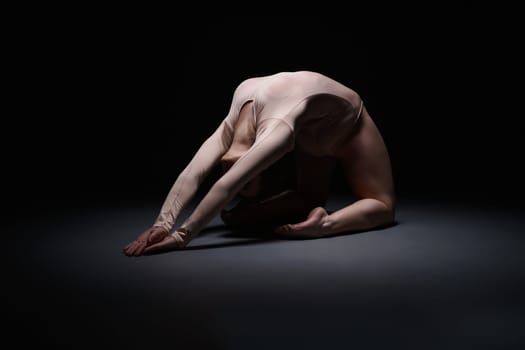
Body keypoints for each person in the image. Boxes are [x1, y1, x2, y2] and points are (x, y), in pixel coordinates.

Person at [123, 71, 395, 256]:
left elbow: (226, 184)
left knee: (383, 206)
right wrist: (161, 223)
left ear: (263, 165)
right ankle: (317, 220)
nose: (240, 180)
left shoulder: (277, 130)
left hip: (347, 128)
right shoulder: (243, 94)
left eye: (248, 181)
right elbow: (193, 173)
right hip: (317, 125)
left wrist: (180, 236)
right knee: (312, 198)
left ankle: (326, 225)